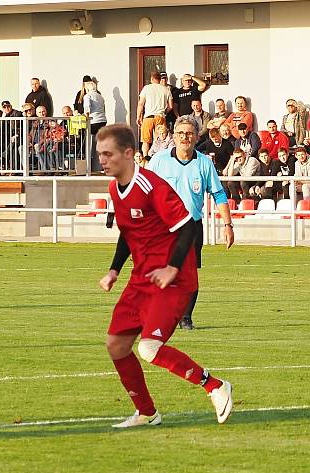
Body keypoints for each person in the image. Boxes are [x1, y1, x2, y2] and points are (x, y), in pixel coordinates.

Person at [96, 123, 233, 429]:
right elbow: (127, 232)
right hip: (142, 277)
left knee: (148, 348)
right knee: (116, 345)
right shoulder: (114, 187)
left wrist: (172, 267)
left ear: (129, 153)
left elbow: (187, 227)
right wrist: (114, 270)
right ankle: (146, 413)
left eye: (108, 154)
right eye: (99, 154)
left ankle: (215, 385)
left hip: (173, 277)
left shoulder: (151, 185)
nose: (102, 160)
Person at [148, 115, 234, 330]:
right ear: (174, 136)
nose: (184, 137)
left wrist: (228, 225)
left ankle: (186, 317)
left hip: (191, 226)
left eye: (189, 133)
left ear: (196, 137)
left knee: (189, 275)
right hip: (163, 228)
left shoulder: (204, 163)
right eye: (180, 133)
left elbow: (218, 194)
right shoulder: (159, 160)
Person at [136, 72, 173, 157]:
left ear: (152, 79)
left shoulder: (146, 88)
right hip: (160, 116)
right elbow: (170, 106)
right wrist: (164, 112)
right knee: (160, 139)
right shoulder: (166, 89)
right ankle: (158, 158)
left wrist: (138, 117)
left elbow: (141, 103)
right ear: (160, 79)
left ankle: (146, 158)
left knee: (145, 141)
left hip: (148, 117)